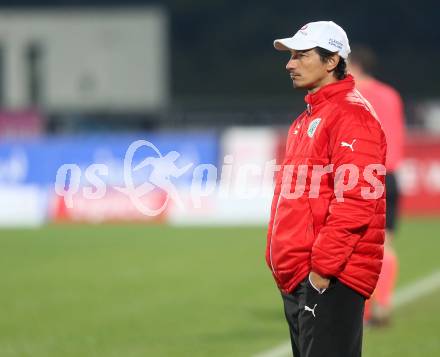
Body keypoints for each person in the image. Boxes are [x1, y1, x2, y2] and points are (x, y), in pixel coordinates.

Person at [266, 21, 387, 356]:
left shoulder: (351, 114)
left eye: (301, 55)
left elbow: (358, 199)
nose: (290, 64)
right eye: (291, 56)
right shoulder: (308, 117)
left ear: (332, 60)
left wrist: (321, 272)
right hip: (302, 278)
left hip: (330, 278)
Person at [348, 45, 405, 326]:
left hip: (364, 174)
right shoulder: (391, 94)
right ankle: (383, 305)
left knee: (358, 247)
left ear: (354, 65)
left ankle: (366, 309)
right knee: (386, 244)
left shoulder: (352, 95)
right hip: (391, 174)